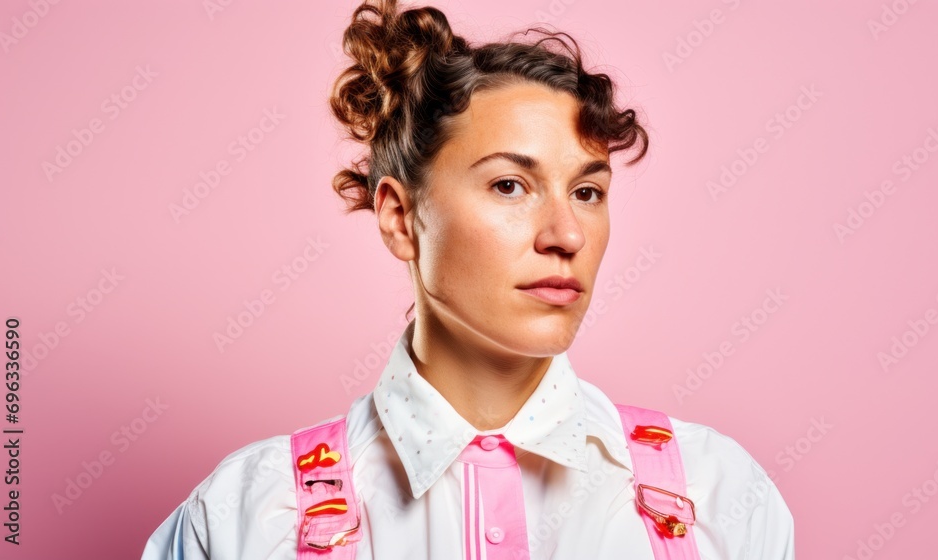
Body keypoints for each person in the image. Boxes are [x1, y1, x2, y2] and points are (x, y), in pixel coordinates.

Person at [142, 0, 795, 558]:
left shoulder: (720, 496)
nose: (567, 235)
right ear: (401, 217)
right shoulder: (247, 515)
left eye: (587, 193)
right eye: (510, 185)